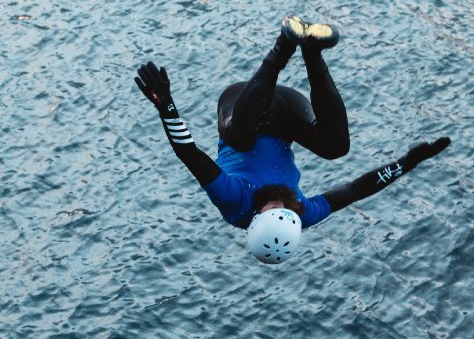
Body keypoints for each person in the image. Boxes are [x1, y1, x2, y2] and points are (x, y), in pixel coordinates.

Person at [135, 15, 450, 264]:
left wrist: (166, 106)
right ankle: (312, 51)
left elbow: (189, 153)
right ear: (293, 216)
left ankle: (283, 45)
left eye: (268, 208)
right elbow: (356, 190)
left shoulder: (234, 201)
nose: (275, 202)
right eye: (282, 207)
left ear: (255, 219)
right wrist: (409, 162)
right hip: (286, 112)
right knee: (336, 148)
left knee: (239, 140)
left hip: (239, 106)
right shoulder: (301, 212)